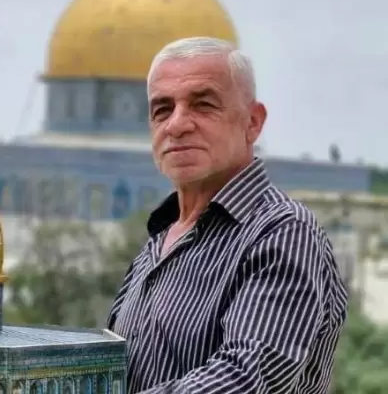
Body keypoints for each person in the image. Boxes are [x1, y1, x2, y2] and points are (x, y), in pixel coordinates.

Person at [107, 37, 348, 394]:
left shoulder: (282, 232)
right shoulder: (159, 241)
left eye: (203, 105)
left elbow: (244, 379)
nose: (177, 125)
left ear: (253, 122)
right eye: (162, 109)